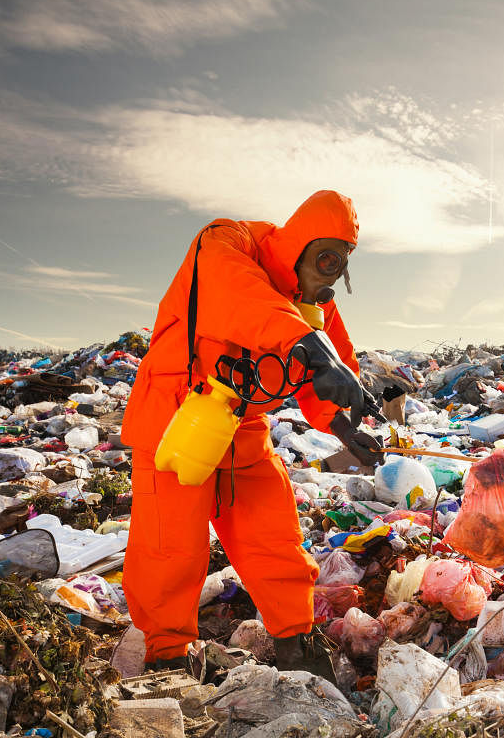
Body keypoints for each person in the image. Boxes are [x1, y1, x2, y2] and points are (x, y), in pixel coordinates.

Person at [120, 190, 383, 678]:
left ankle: (298, 643)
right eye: (325, 259)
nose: (328, 278)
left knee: (273, 534)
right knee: (169, 545)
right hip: (176, 414)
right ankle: (168, 660)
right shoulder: (227, 244)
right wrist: (308, 343)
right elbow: (239, 295)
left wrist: (344, 426)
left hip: (241, 423)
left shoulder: (306, 300)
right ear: (298, 246)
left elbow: (328, 355)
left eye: (338, 266)